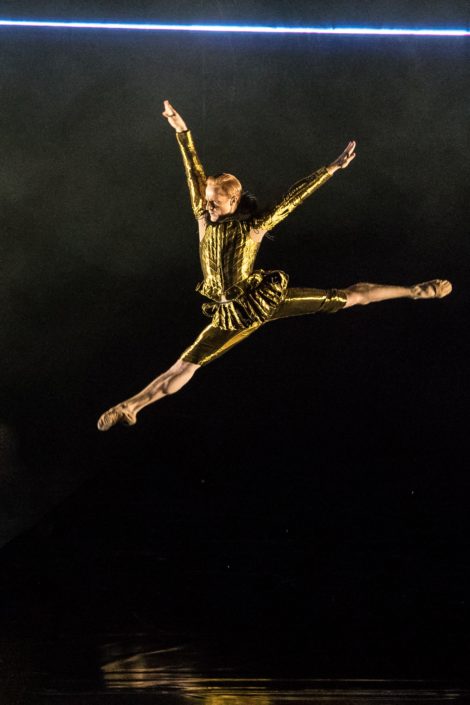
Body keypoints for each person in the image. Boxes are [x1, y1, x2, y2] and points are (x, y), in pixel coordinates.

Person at [97, 100, 452, 430]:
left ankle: (415, 290)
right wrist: (181, 131)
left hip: (258, 303)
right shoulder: (202, 216)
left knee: (346, 298)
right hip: (227, 313)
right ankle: (131, 407)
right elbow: (193, 171)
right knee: (186, 363)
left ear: (234, 200)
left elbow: (291, 199)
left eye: (216, 203)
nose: (208, 208)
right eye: (207, 202)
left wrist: (330, 169)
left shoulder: (251, 227)